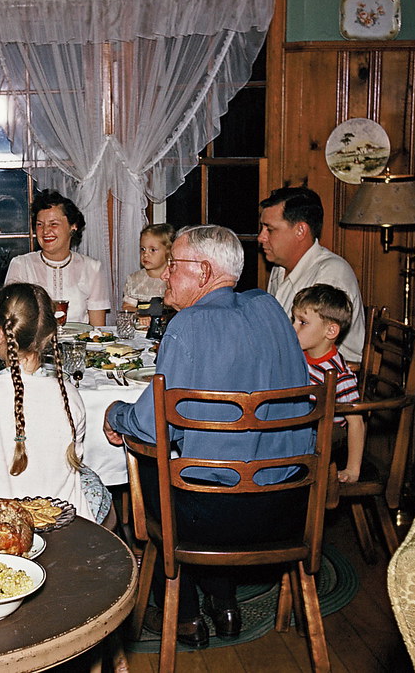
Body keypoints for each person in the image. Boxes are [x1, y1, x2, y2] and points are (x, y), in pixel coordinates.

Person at [103, 224, 313, 649]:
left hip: (215, 521)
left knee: (149, 463)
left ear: (202, 272)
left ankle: (186, 615)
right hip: (289, 509)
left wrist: (115, 413)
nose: (165, 275)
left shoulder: (189, 324)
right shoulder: (271, 308)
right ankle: (226, 602)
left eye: (174, 266)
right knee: (225, 465)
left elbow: (150, 425)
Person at [0, 283, 111, 525]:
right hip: (69, 521)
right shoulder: (69, 394)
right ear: (48, 336)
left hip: (4, 525)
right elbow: (75, 457)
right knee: (92, 478)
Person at [258, 186, 365, 363]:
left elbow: (314, 349)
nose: (261, 237)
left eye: (270, 229)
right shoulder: (280, 267)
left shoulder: (331, 274)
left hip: (326, 380)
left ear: (300, 230)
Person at [292, 284, 365, 483]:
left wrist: (352, 469)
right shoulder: (302, 356)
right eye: (294, 319)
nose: (293, 327)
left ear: (331, 330)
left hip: (326, 439)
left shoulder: (339, 375)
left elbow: (356, 422)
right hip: (304, 430)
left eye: (302, 322)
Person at [4, 190, 110, 326]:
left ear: (73, 226)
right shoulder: (21, 265)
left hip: (78, 346)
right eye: (40, 224)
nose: (46, 231)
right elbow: (11, 322)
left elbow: (97, 330)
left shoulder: (93, 268)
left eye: (53, 224)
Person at [122, 223, 174, 311]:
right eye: (143, 249)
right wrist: (141, 314)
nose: (145, 254)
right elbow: (127, 307)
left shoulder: (174, 279)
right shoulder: (136, 280)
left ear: (168, 252)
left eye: (152, 250)